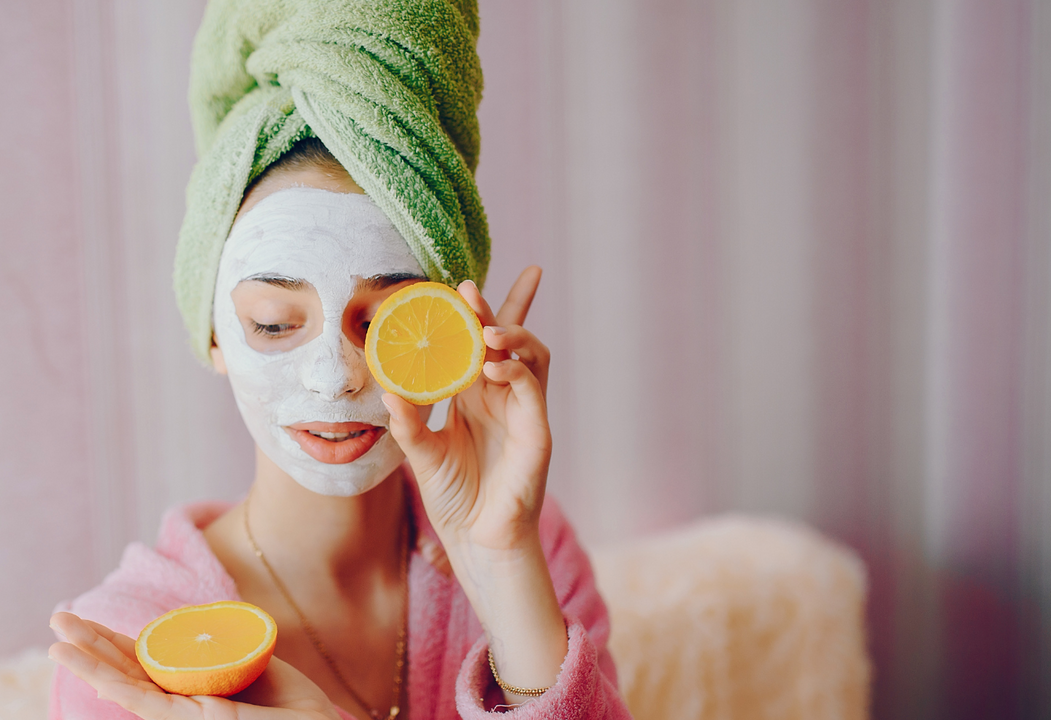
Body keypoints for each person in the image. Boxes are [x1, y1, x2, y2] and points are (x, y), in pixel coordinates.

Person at [49, 2, 629, 718]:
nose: (335, 375)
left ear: (447, 333)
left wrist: (505, 568)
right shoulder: (131, 659)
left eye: (386, 322)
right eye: (272, 323)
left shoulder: (530, 547)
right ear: (213, 336)